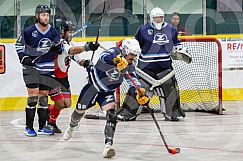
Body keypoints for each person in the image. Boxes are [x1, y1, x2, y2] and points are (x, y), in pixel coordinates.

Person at [63, 38, 148, 158]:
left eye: (135, 55)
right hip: (92, 89)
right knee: (79, 111)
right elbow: (103, 57)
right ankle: (72, 127)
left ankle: (108, 145)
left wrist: (139, 93)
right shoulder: (113, 52)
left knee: (112, 115)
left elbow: (133, 81)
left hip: (107, 93)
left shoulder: (130, 66)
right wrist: (116, 61)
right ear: (125, 50)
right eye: (132, 54)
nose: (133, 58)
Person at [15, 4, 60, 136]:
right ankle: (28, 127)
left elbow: (59, 46)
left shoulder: (53, 32)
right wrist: (24, 58)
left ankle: (42, 127)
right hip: (31, 68)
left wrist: (57, 47)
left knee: (44, 98)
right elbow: (18, 44)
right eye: (43, 15)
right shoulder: (29, 31)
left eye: (47, 15)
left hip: (47, 68)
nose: (45, 18)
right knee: (33, 97)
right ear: (37, 16)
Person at [47, 20, 99, 133]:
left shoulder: (70, 44)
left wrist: (86, 63)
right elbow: (70, 51)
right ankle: (51, 121)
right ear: (63, 31)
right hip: (53, 77)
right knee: (60, 103)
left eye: (72, 32)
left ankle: (48, 110)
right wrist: (87, 47)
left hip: (63, 78)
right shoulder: (59, 43)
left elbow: (78, 59)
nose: (71, 34)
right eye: (69, 31)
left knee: (67, 103)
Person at [135, 7, 185, 121]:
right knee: (139, 88)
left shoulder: (171, 29)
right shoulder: (143, 30)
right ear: (151, 18)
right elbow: (136, 45)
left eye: (160, 17)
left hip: (165, 67)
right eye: (156, 17)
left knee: (170, 89)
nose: (158, 19)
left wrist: (179, 51)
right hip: (145, 68)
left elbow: (177, 44)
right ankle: (128, 112)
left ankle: (172, 113)